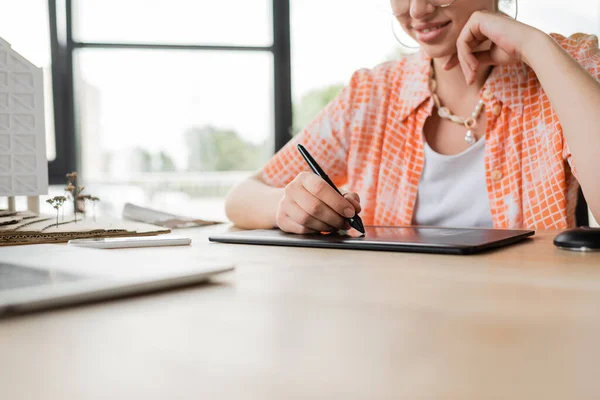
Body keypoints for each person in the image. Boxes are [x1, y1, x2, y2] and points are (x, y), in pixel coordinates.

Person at [225, 0, 600, 234]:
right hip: (398, 324)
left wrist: (536, 47)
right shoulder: (372, 95)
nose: (417, 10)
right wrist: (285, 207)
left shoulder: (564, 64)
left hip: (533, 321)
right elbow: (241, 197)